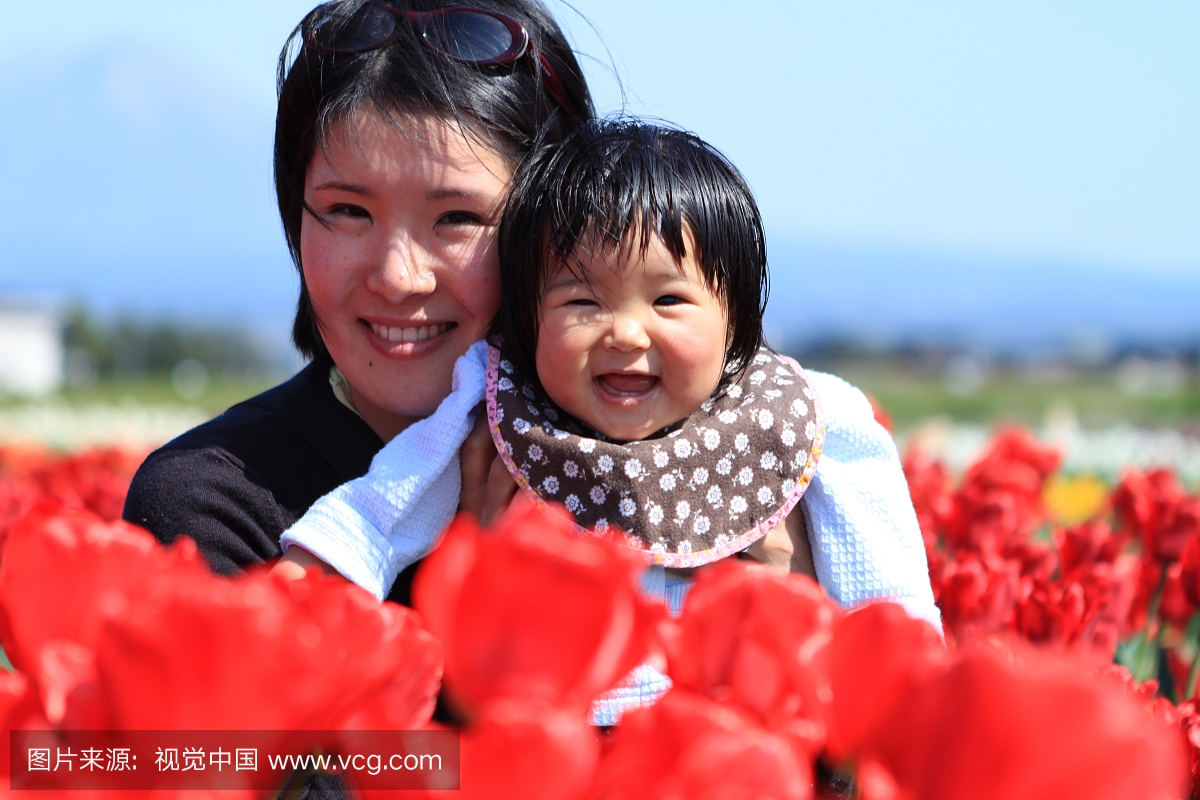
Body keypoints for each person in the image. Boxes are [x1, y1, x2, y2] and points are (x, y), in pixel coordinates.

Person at [276, 119, 940, 725]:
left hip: (741, 750)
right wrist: (314, 572)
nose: (624, 332)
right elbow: (388, 504)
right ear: (528, 316)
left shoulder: (810, 420)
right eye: (581, 300)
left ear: (735, 316)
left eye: (670, 299)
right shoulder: (498, 411)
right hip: (565, 747)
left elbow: (893, 621)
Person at [122, 0, 595, 618]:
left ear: (556, 227)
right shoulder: (210, 506)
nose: (398, 278)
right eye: (348, 211)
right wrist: (476, 596)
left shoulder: (651, 469)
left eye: (456, 218)